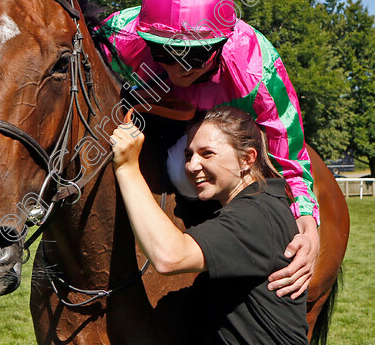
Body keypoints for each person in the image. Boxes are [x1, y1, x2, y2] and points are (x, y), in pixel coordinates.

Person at [98, 0, 319, 297]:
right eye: (162, 53)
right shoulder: (115, 38)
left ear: (222, 43)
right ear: (143, 37)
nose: (178, 70)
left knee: (186, 171)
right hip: (147, 119)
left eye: (195, 56)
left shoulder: (256, 67)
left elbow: (289, 155)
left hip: (219, 136)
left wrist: (308, 219)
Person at [111, 107, 309, 344]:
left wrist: (127, 167)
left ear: (247, 159)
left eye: (207, 153)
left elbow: (170, 256)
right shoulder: (262, 202)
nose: (192, 166)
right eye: (188, 155)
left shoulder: (256, 215)